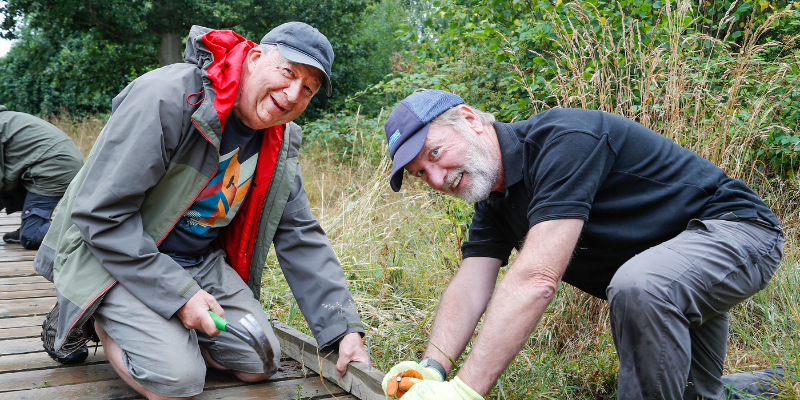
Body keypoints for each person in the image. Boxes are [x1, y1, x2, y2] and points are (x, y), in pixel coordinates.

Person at [379, 89, 786, 399]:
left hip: (735, 232)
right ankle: (779, 380)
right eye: (420, 174)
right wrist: (432, 369)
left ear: (470, 120)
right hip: (670, 273)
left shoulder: (564, 139)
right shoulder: (495, 199)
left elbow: (537, 278)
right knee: (695, 393)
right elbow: (470, 286)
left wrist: (466, 391)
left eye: (435, 152)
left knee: (639, 286)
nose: (436, 178)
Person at [34, 22, 368, 400]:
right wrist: (179, 296)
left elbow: (300, 235)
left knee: (261, 363)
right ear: (256, 58)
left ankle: (161, 328)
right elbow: (100, 215)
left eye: (307, 89)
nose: (292, 94)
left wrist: (342, 330)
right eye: (287, 72)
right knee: (176, 383)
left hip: (197, 261)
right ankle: (92, 317)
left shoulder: (280, 138)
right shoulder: (169, 96)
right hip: (115, 257)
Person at [0, 107, 83, 249]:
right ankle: (31, 225)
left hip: (54, 168)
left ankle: (85, 232)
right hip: (53, 164)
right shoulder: (5, 119)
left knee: (30, 237)